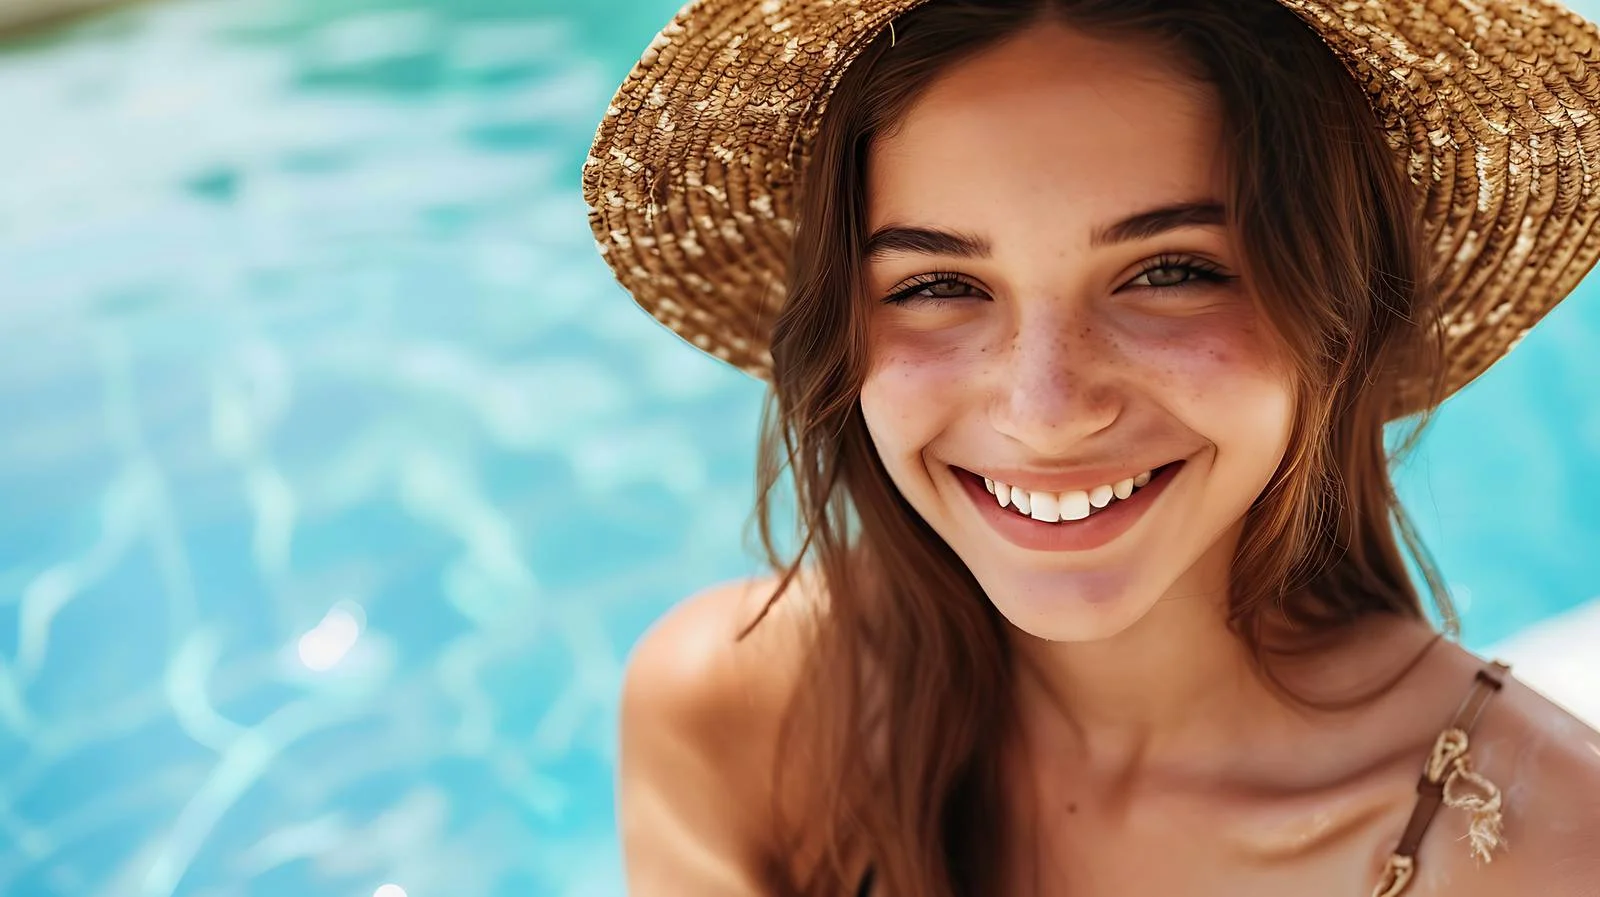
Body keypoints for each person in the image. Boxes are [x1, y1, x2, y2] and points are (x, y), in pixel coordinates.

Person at [581, 0, 1600, 894]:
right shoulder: (739, 713)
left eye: (1168, 272)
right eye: (938, 286)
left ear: (1334, 311)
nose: (1046, 410)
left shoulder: (1541, 852)